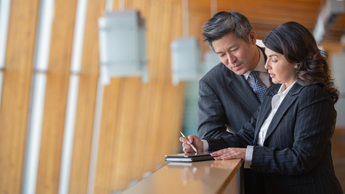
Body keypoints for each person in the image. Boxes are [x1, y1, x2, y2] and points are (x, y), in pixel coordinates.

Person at [180, 21, 343, 194]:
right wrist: (203, 145)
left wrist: (247, 155)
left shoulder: (313, 96)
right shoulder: (273, 93)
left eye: (274, 59)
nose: (266, 66)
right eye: (268, 57)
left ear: (297, 60)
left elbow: (301, 158)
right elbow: (246, 136)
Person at [198, 11, 273, 140]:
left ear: (252, 37)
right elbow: (210, 135)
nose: (230, 60)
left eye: (234, 50)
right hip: (252, 159)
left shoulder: (285, 62)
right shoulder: (212, 83)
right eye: (221, 55)